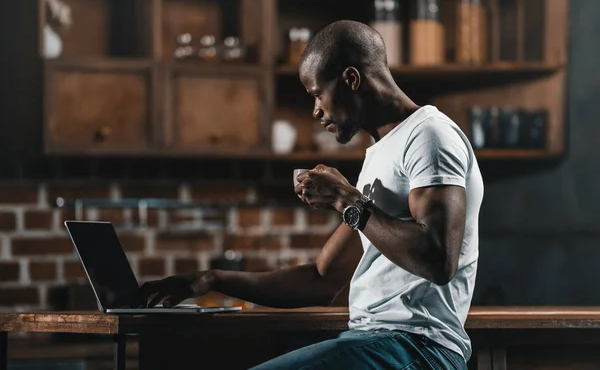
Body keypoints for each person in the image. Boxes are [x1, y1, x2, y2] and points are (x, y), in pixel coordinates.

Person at [139, 20, 484, 369]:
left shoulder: (429, 136)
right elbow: (322, 279)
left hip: (417, 347)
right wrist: (211, 280)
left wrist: (346, 199)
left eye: (318, 94)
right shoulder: (382, 151)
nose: (316, 110)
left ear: (351, 79)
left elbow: (439, 262)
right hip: (376, 341)